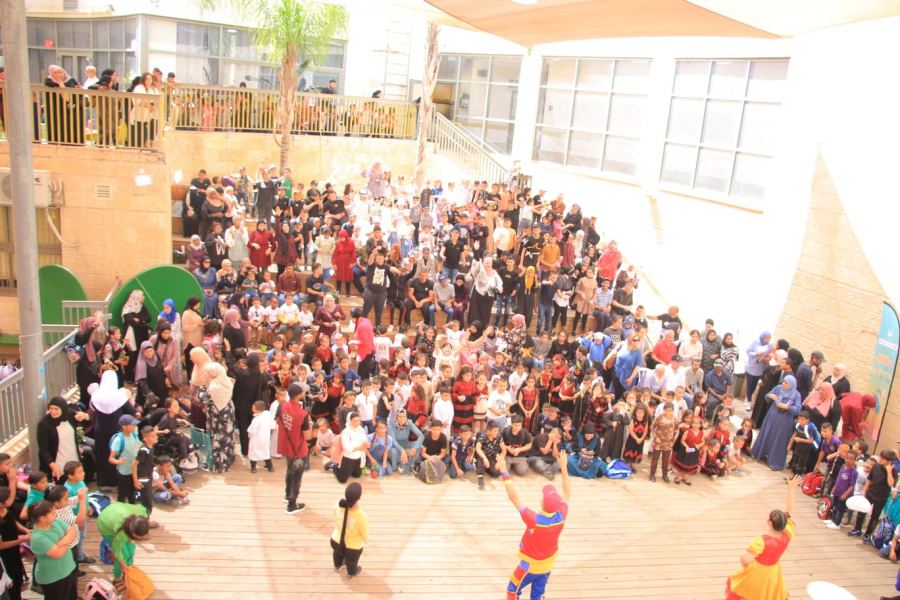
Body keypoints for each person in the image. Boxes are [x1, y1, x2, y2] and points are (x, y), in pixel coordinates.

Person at [497, 450, 570, 600]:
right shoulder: (561, 516)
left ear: (542, 502)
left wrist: (504, 470)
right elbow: (567, 492)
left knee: (512, 590)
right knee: (538, 595)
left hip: (528, 566)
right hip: (547, 565)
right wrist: (563, 467)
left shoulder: (534, 520)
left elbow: (514, 497)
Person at [725, 475, 800, 600]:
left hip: (758, 572)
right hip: (774, 572)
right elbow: (790, 511)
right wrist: (792, 489)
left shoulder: (761, 541)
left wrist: (748, 570)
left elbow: (745, 559)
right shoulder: (787, 533)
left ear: (770, 523)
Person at [26, 501, 78, 600]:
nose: (56, 514)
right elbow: (58, 553)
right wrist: (68, 539)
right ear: (42, 518)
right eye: (53, 513)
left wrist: (60, 543)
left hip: (68, 569)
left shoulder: (55, 521)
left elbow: (73, 530)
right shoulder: (38, 538)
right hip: (52, 577)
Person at [752, 375, 802, 471]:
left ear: (792, 385)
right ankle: (762, 453)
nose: (783, 384)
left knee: (779, 439)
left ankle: (775, 461)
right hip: (772, 416)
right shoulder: (779, 388)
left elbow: (798, 409)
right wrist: (770, 396)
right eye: (783, 382)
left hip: (784, 421)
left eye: (786, 383)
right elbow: (767, 396)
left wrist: (787, 407)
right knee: (768, 434)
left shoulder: (796, 395)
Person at [276, 383, 313, 514]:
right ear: (298, 395)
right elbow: (307, 436)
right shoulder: (303, 414)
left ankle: (287, 495)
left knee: (290, 470)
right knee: (296, 477)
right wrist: (310, 424)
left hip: (287, 444)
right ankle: (292, 505)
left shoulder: (282, 406)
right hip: (298, 448)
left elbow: (278, 421)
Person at [36, 397, 89, 483]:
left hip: (73, 460)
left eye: (56, 409)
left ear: (63, 408)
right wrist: (53, 466)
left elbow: (87, 423)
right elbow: (43, 449)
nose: (53, 412)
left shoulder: (70, 414)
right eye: (51, 408)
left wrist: (86, 416)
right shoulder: (44, 424)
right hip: (58, 465)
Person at [96, 501, 149, 585]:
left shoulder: (142, 514)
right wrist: (123, 564)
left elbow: (144, 509)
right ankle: (116, 578)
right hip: (105, 523)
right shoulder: (122, 533)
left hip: (116, 510)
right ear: (131, 531)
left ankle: (129, 571)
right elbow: (117, 550)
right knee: (123, 555)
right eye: (138, 536)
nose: (139, 538)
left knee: (131, 548)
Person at [331, 482, 367, 579]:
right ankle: (351, 573)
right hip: (352, 548)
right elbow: (364, 534)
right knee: (352, 561)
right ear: (359, 497)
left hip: (335, 540)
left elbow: (333, 516)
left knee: (337, 553)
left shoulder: (338, 505)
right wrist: (365, 541)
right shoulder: (361, 516)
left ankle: (338, 565)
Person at [247, 400, 276, 473]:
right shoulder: (268, 415)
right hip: (265, 438)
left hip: (256, 440)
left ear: (257, 409)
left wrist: (249, 436)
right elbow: (272, 425)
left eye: (253, 407)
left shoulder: (256, 420)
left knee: (253, 453)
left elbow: (251, 430)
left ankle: (253, 468)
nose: (252, 409)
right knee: (265, 453)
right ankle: (270, 467)